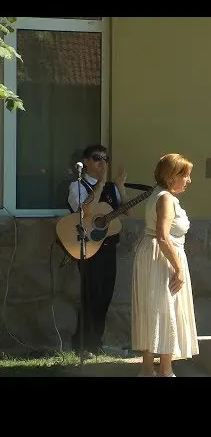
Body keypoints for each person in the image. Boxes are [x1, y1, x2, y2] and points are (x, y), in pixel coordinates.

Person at [131, 153, 199, 377]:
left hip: (154, 254)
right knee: (165, 309)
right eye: (185, 175)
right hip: (161, 256)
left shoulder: (159, 194)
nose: (188, 181)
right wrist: (178, 268)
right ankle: (165, 371)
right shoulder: (166, 198)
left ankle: (148, 369)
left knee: (155, 309)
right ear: (172, 177)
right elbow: (163, 235)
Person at [67, 143, 130, 359]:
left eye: (105, 158)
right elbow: (84, 209)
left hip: (109, 246)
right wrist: (101, 184)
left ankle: (96, 343)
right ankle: (81, 343)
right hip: (87, 246)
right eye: (96, 158)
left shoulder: (111, 187)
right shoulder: (78, 185)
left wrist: (120, 186)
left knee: (105, 295)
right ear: (86, 162)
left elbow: (127, 210)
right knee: (90, 294)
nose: (102, 162)